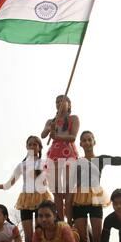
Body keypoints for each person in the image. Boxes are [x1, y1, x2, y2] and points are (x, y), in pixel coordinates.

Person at [41, 95, 80, 223]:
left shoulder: (73, 119)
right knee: (56, 190)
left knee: (69, 189)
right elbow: (43, 135)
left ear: (69, 104)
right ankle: (60, 220)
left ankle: (70, 221)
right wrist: (49, 128)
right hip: (55, 153)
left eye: (62, 101)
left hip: (68, 153)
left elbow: (72, 137)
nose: (59, 103)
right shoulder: (51, 121)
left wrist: (56, 135)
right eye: (57, 102)